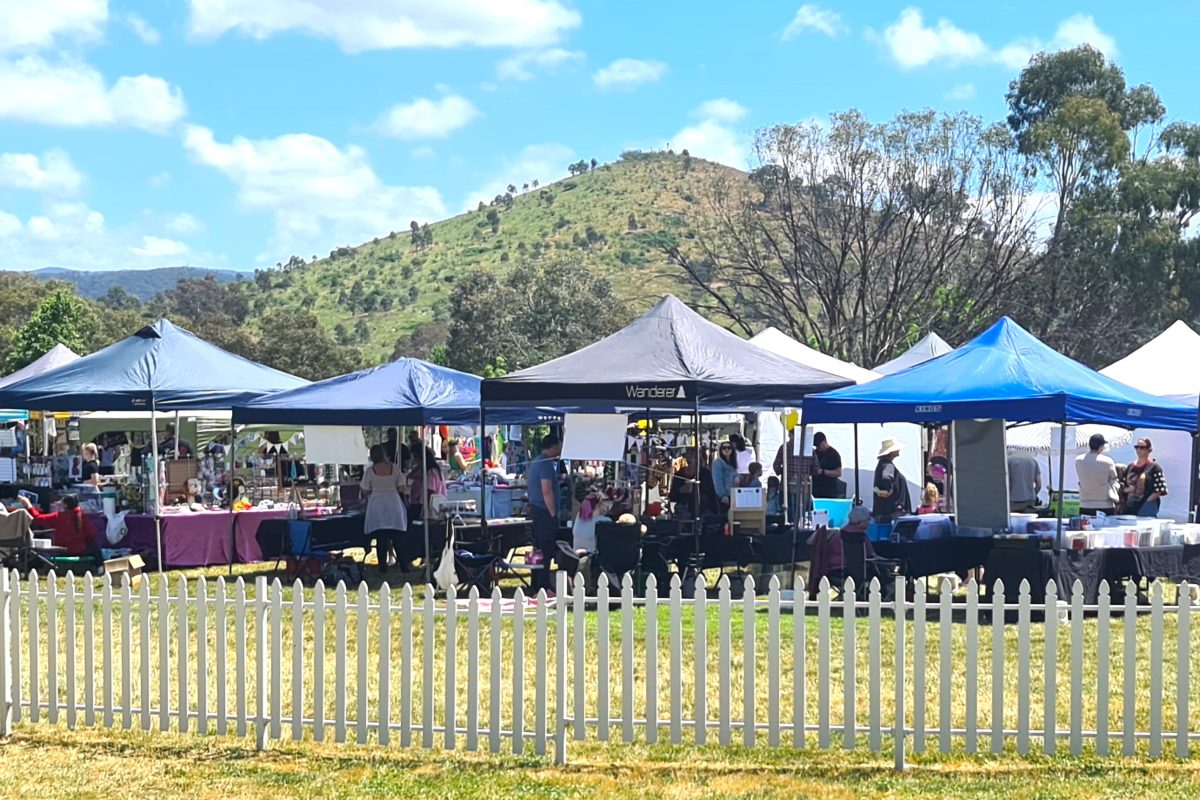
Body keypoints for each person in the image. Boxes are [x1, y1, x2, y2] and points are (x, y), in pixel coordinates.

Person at [360, 444, 408, 573]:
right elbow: (401, 487)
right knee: (398, 538)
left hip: (377, 505)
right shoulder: (395, 468)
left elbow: (365, 490)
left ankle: (383, 567)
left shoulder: (370, 471)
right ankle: (404, 566)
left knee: (381, 538)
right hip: (393, 503)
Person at [526, 434, 563, 595]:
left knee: (537, 550)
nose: (561, 448)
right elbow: (546, 490)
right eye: (559, 445)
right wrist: (553, 512)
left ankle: (535, 585)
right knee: (546, 551)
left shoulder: (536, 461)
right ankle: (544, 587)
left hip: (536, 510)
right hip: (544, 511)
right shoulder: (547, 464)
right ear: (553, 446)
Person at [18, 494, 101, 558]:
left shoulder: (58, 517)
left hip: (63, 551)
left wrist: (28, 505)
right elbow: (91, 534)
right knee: (95, 546)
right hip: (80, 550)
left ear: (65, 505)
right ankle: (99, 567)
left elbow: (38, 518)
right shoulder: (81, 516)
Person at [1122, 437, 1168, 517]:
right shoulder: (1130, 466)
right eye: (1137, 447)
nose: (1139, 450)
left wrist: (1147, 501)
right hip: (1130, 506)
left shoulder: (1154, 467)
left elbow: (1160, 489)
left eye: (1142, 447)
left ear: (1148, 449)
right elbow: (1121, 485)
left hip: (1147, 507)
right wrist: (1128, 490)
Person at [1076, 433, 1119, 516]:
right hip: (1105, 503)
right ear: (1101, 446)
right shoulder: (1108, 461)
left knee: (1086, 524)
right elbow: (1114, 477)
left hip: (1085, 503)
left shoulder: (1078, 460)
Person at [872, 438, 911, 523]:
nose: (899, 450)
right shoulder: (888, 465)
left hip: (884, 512)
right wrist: (888, 490)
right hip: (892, 512)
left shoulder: (882, 464)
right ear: (891, 452)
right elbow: (886, 478)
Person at [406, 441, 444, 522]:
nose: (414, 460)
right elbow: (409, 476)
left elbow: (430, 490)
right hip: (423, 504)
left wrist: (425, 509)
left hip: (429, 507)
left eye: (415, 457)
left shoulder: (431, 472)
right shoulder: (427, 469)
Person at [809, 432, 844, 499]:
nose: (818, 448)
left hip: (829, 492)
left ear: (824, 441)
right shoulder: (815, 453)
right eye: (816, 446)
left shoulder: (834, 454)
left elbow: (838, 473)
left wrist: (823, 472)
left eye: (819, 445)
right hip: (816, 492)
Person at [1006, 448, 1042, 513]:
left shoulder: (1008, 461)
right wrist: (1033, 494)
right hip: (1030, 501)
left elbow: (1006, 483)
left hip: (1013, 501)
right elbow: (1039, 485)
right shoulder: (1033, 461)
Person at [712, 440, 739, 510]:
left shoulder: (732, 464)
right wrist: (723, 495)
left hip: (732, 495)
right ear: (721, 450)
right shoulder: (718, 463)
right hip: (724, 497)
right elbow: (717, 481)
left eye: (729, 448)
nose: (726, 450)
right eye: (724, 448)